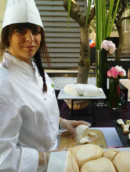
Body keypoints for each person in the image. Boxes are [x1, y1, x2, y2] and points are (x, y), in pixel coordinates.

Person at [0, 0, 90, 171]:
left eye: (35, 31)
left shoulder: (34, 69)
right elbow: (3, 159)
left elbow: (37, 115)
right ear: (7, 36)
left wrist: (64, 123)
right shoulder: (3, 84)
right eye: (20, 30)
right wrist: (46, 157)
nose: (30, 38)